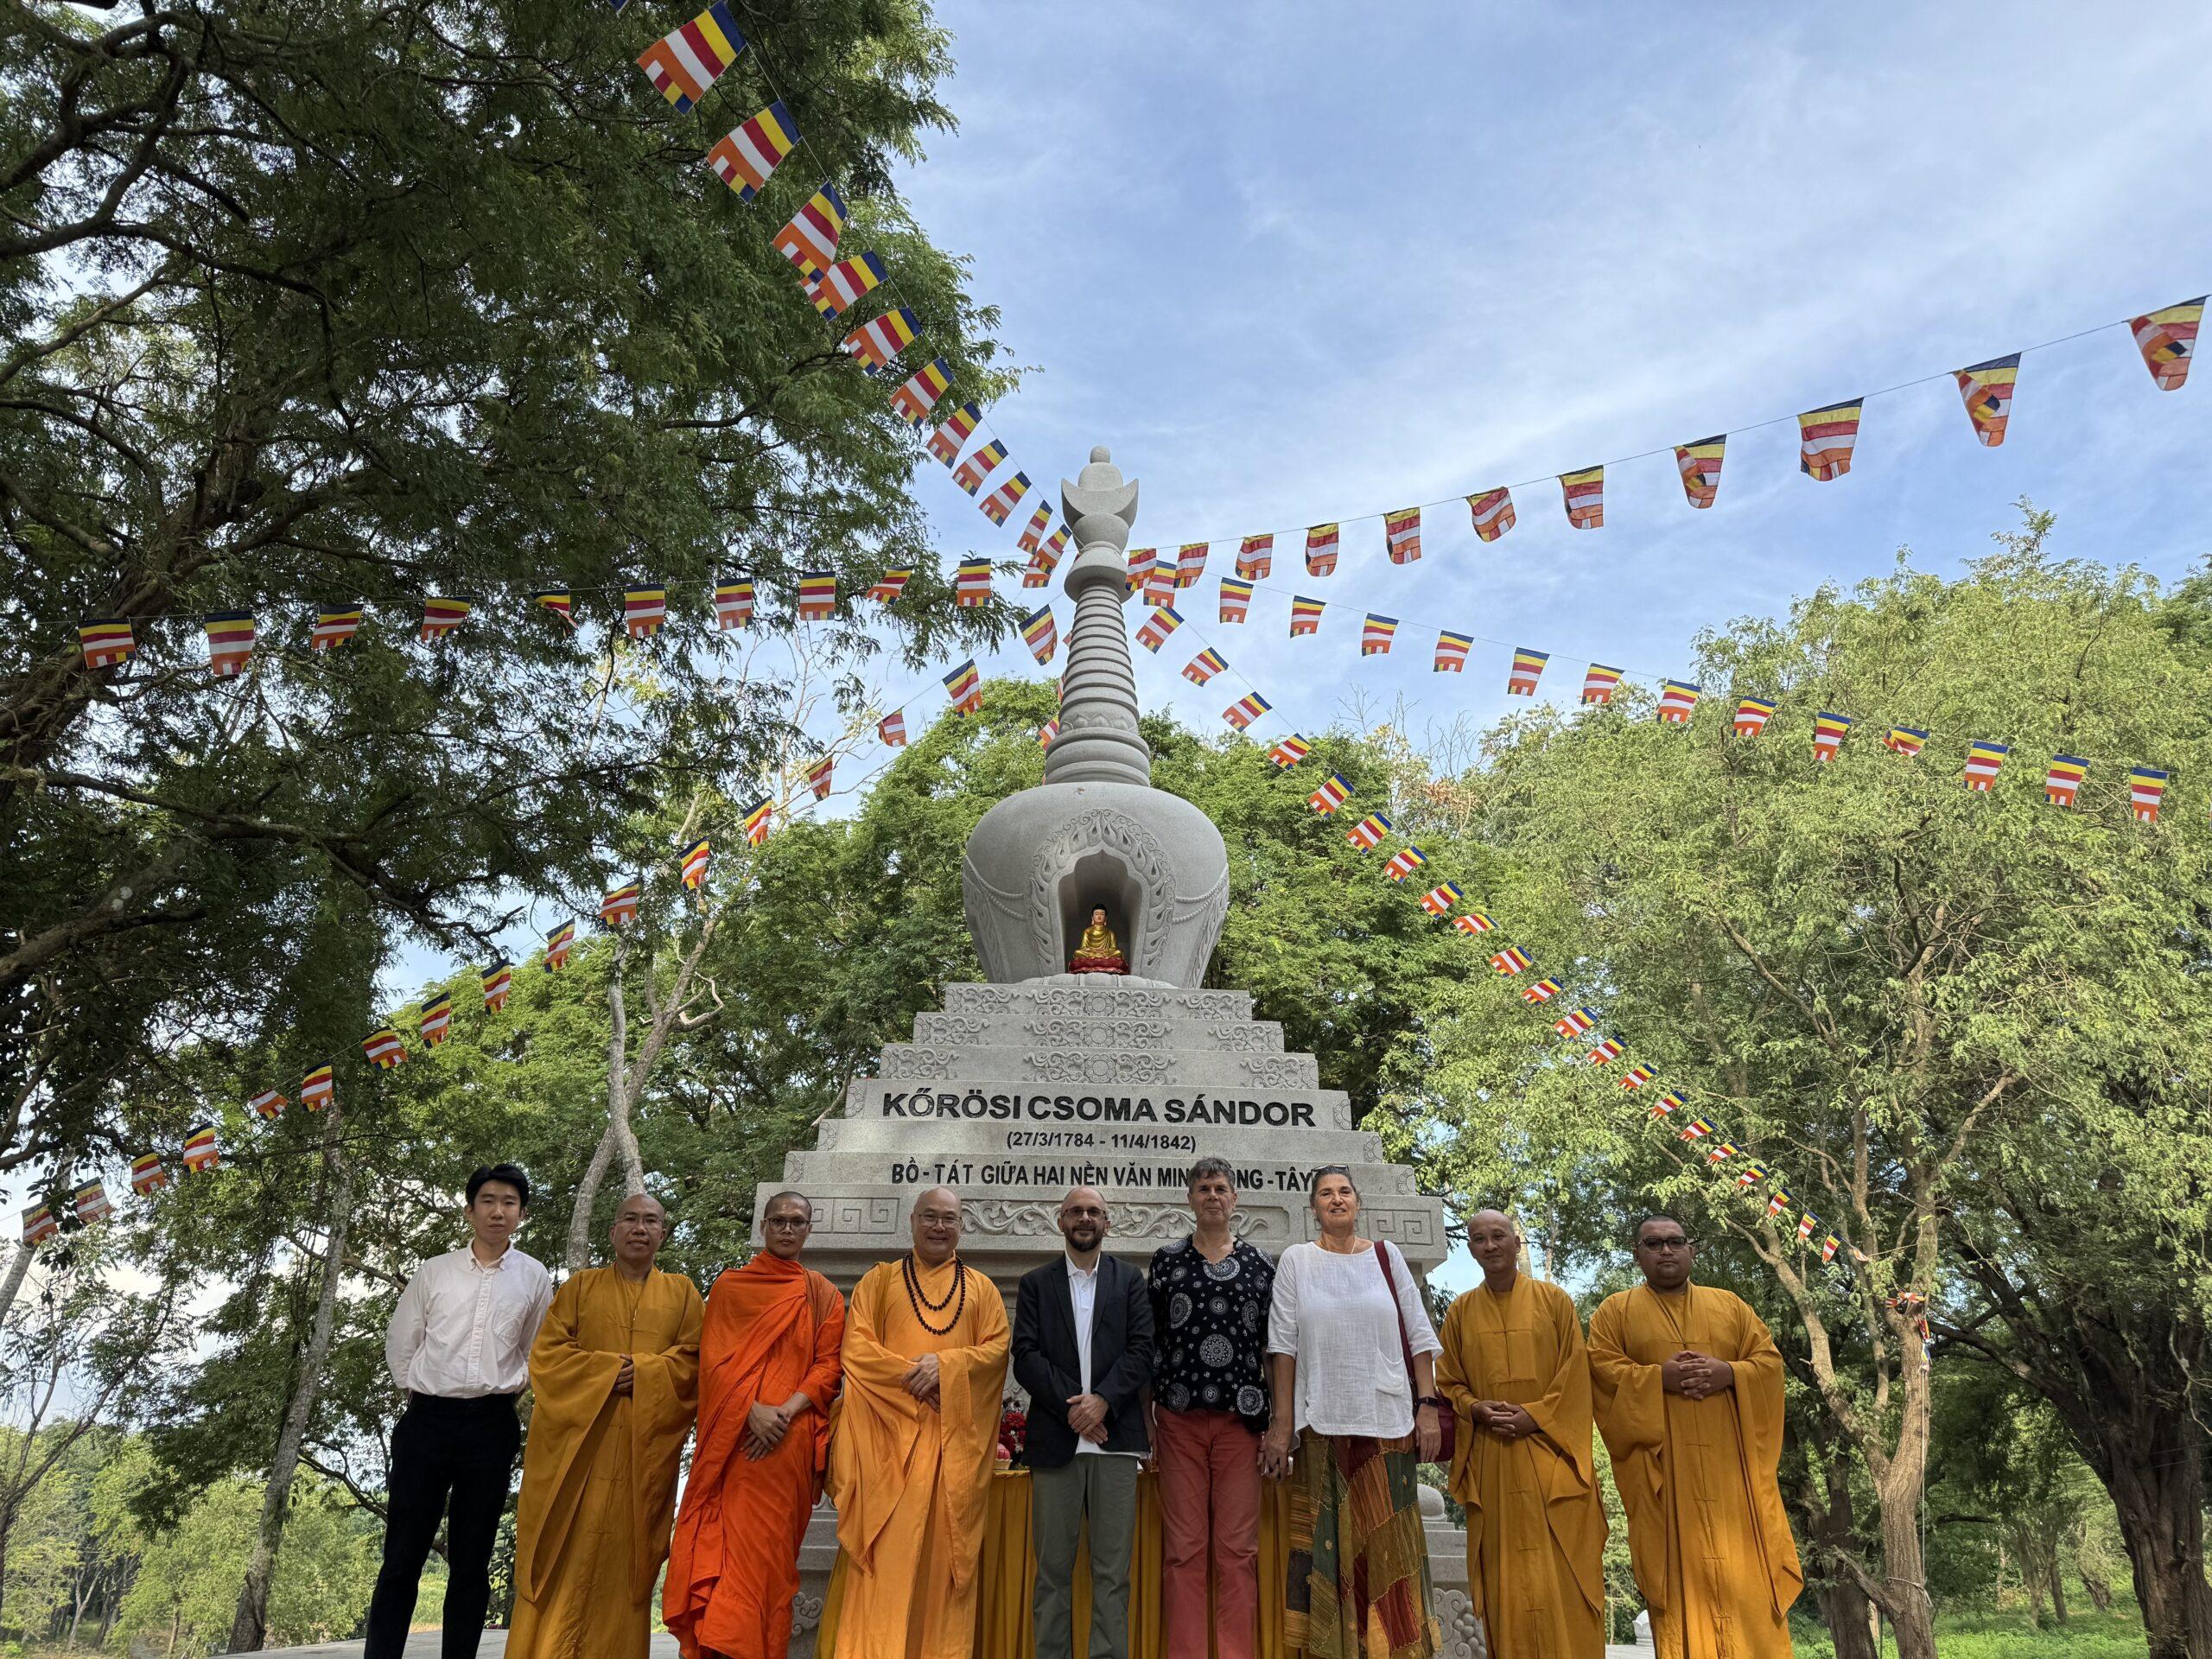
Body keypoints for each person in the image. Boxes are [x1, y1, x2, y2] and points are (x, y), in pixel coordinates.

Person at [1587, 1214, 1802, 1659]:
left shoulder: (1730, 1306)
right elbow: (1601, 1372)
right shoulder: (1615, 1311)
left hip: (1733, 1484)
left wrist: (1729, 1372)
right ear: (1637, 1254)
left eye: (1675, 1242)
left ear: (1692, 1250)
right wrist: (1655, 1379)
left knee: (1750, 1584)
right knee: (1682, 1593)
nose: (1666, 1250)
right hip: (1669, 1482)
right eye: (1653, 1243)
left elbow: (1769, 1363)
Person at [366, 1163, 555, 1659]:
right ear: (470, 1209)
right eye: (488, 1201)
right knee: (402, 1556)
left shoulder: (534, 1277)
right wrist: (421, 1393)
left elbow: (541, 1347)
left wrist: (510, 1394)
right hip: (426, 1423)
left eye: (509, 1203)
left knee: (472, 1559)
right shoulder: (435, 1270)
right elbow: (401, 1341)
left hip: (491, 1426)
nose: (498, 1211)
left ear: (521, 1214)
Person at [507, 1190, 704, 1658]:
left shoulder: (683, 1294)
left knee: (623, 1564)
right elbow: (548, 1355)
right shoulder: (581, 1287)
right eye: (630, 1219)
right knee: (562, 1555)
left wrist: (649, 1372)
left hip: (641, 1458)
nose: (640, 1228)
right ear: (613, 1230)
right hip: (578, 1455)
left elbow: (697, 1361)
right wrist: (607, 1372)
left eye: (651, 1221)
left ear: (663, 1233)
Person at [1262, 1166, 1443, 1659]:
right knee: (1326, 1552)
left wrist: (1427, 1405)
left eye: (1344, 1192)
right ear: (1313, 1208)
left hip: (1386, 1423)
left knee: (1389, 1550)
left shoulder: (1387, 1256)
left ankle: (1397, 1650)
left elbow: (1420, 1334)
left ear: (1357, 1203)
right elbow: (1282, 1345)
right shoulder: (1298, 1260)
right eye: (1325, 1194)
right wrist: (1282, 1425)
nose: (1336, 1200)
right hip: (1322, 1424)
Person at [827, 1186, 1010, 1659]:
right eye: (929, 1217)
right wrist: (920, 1377)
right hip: (889, 1449)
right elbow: (858, 1349)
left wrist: (945, 1370)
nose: (938, 1227)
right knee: (884, 1566)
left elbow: (995, 1352)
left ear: (961, 1226)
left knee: (942, 1568)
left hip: (953, 1450)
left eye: (948, 1219)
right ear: (912, 1221)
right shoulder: (879, 1281)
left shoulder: (983, 1289)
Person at [665, 1190, 847, 1659]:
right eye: (779, 1220)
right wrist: (753, 1410)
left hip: (790, 1442)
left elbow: (829, 1366)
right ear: (763, 1226)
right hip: (737, 1442)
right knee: (729, 1558)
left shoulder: (822, 1294)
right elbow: (714, 1364)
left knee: (771, 1562)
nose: (788, 1229)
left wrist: (785, 1409)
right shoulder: (731, 1287)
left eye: (797, 1222)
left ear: (810, 1229)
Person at [1433, 1209, 1607, 1659]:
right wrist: (1475, 1408)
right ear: (1469, 1248)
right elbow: (1448, 1381)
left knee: (1563, 1575)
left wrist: (1536, 1416)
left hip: (1551, 1455)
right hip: (1493, 1460)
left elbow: (1576, 1376)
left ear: (1516, 1242)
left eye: (1498, 1236)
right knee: (1504, 1578)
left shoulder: (1555, 1302)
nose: (1489, 1245)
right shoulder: (1460, 1312)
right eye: (1478, 1239)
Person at [1014, 1187, 1154, 1659]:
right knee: (1052, 1569)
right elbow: (1026, 1356)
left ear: (1107, 1223)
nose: (1085, 1218)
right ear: (1061, 1221)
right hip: (1057, 1442)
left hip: (1115, 1443)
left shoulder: (1131, 1280)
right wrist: (1074, 1410)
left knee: (1112, 1572)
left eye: (1094, 1211)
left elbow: (1142, 1351)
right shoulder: (1036, 1283)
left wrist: (1103, 1403)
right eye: (1075, 1211)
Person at [1147, 1156, 1274, 1659]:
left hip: (1241, 1425)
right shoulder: (1167, 1261)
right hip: (1178, 1420)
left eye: (1221, 1187)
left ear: (1235, 1198)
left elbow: (1274, 1350)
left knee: (1238, 1552)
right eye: (1203, 1188)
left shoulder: (1262, 1265)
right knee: (1183, 1552)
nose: (1213, 1196)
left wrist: (1281, 1424)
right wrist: (1146, 1420)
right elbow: (1150, 1345)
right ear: (1190, 1198)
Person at [1069, 906, 1127, 974]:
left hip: (1105, 954)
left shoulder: (1110, 932)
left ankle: (1097, 961)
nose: (1099, 916)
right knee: (1077, 953)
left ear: (1105, 918)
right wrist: (1093, 952)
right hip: (1092, 954)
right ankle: (1100, 961)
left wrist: (1103, 953)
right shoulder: (1087, 931)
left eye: (1102, 914)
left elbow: (1114, 949)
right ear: (1092, 917)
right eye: (1096, 914)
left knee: (1118, 953)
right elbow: (1083, 948)